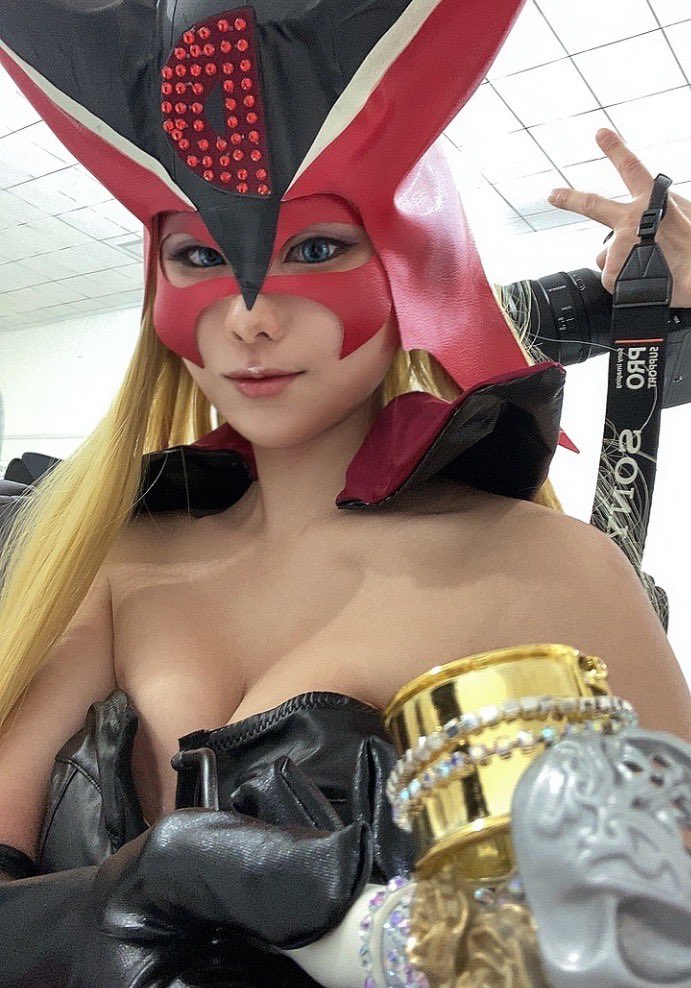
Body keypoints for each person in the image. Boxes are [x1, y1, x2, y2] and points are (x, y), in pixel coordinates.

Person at [0, 1, 689, 985]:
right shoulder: (110, 555)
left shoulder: (548, 567)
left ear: (420, 263)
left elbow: (667, 927)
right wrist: (103, 907)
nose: (249, 317)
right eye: (199, 256)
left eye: (317, 249)